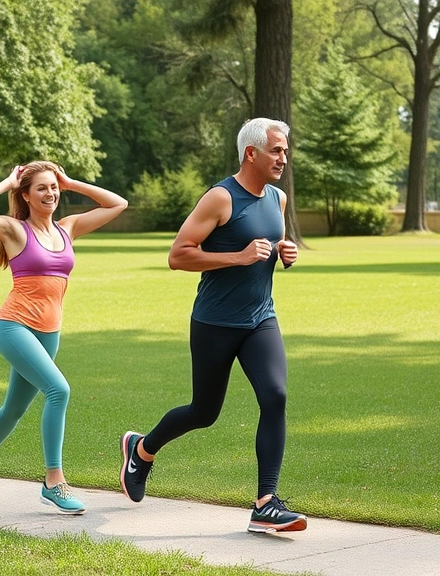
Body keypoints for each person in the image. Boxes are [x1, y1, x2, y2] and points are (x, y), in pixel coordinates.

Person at [119, 118, 307, 533]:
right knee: (204, 412)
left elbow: (267, 243)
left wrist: (282, 251)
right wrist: (237, 257)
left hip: (261, 318)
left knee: (275, 396)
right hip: (215, 322)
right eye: (276, 150)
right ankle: (142, 448)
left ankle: (266, 503)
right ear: (251, 153)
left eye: (286, 150)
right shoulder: (220, 198)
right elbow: (179, 255)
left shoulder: (277, 198)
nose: (284, 158)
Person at [0, 161, 127, 515]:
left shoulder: (68, 227)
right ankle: (54, 481)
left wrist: (72, 182)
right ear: (26, 195)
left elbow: (117, 204)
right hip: (13, 326)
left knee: (15, 408)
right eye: (41, 188)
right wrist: (6, 182)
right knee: (58, 390)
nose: (50, 194)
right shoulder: (14, 230)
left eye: (54, 187)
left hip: (49, 332)